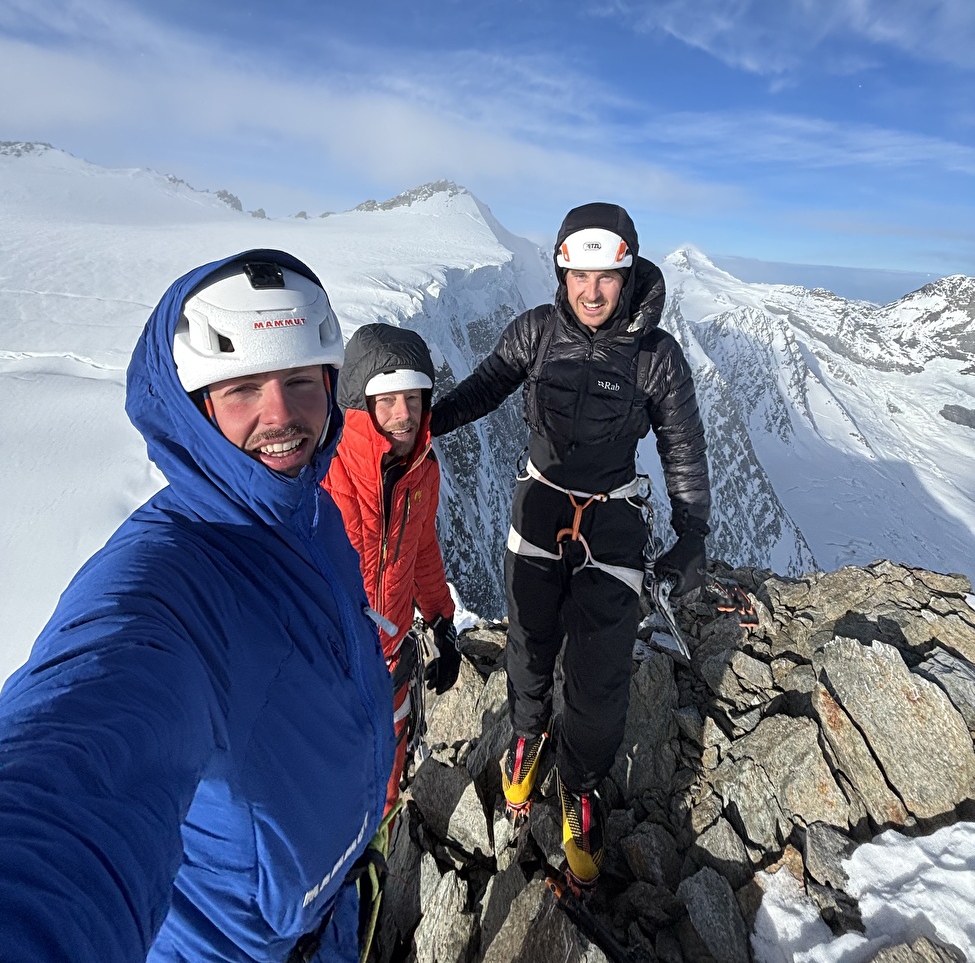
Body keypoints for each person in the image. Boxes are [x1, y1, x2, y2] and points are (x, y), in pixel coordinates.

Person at [0, 250, 394, 963]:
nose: (281, 416)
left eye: (301, 382)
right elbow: (82, 753)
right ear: (193, 407)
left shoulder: (309, 513)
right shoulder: (164, 580)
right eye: (241, 387)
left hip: (330, 919)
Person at [431, 203, 711, 886]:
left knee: (599, 670)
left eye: (605, 275)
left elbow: (681, 444)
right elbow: (485, 388)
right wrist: (418, 427)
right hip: (539, 509)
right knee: (528, 644)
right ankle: (527, 738)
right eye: (577, 273)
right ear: (560, 269)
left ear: (628, 272)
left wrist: (692, 531)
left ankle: (580, 785)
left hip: (611, 521)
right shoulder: (534, 332)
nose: (590, 290)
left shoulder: (656, 356)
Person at [325, 324, 461, 813]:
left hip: (392, 657)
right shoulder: (324, 475)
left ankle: (377, 855)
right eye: (387, 400)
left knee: (387, 760)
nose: (403, 415)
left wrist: (443, 621)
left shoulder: (422, 470)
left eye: (413, 398)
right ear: (362, 409)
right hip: (330, 665)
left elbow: (422, 548)